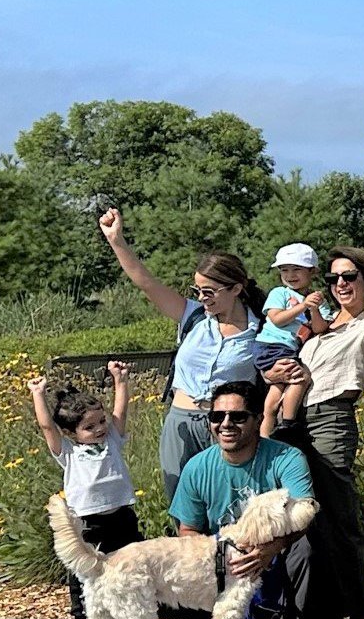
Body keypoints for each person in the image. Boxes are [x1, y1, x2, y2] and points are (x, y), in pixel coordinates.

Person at [275, 245, 364, 619]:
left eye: (350, 277)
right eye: (333, 278)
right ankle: (313, 611)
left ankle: (360, 613)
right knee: (297, 518)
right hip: (293, 418)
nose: (340, 285)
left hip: (331, 417)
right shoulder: (323, 325)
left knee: (335, 515)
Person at [98, 207, 265, 492]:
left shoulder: (261, 329)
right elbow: (146, 283)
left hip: (230, 424)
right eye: (197, 290)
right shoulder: (193, 316)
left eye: (209, 291)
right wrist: (117, 240)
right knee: (181, 498)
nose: (202, 298)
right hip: (181, 420)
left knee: (228, 497)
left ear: (236, 289)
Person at [170, 381, 320, 619]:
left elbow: (305, 511)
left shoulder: (286, 457)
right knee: (164, 568)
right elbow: (188, 531)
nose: (226, 424)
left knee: (306, 544)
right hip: (225, 558)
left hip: (276, 549)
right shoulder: (196, 467)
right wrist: (221, 560)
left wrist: (269, 550)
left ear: (258, 420)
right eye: (217, 417)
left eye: (238, 417)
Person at [30, 362, 136, 619]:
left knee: (126, 570)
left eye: (101, 422)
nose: (100, 428)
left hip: (122, 517)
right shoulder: (68, 452)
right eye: (89, 427)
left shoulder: (112, 438)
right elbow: (46, 426)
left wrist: (120, 380)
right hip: (88, 522)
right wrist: (38, 394)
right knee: (83, 573)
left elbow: (120, 412)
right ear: (71, 432)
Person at [255, 243, 332, 432]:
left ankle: (266, 431)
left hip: (286, 348)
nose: (290, 275)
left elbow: (320, 328)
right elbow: (277, 319)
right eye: (284, 270)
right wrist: (303, 306)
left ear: (312, 271)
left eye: (297, 269)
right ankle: (289, 424)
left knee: (278, 387)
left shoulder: (317, 300)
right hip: (272, 345)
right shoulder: (280, 293)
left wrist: (313, 309)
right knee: (300, 378)